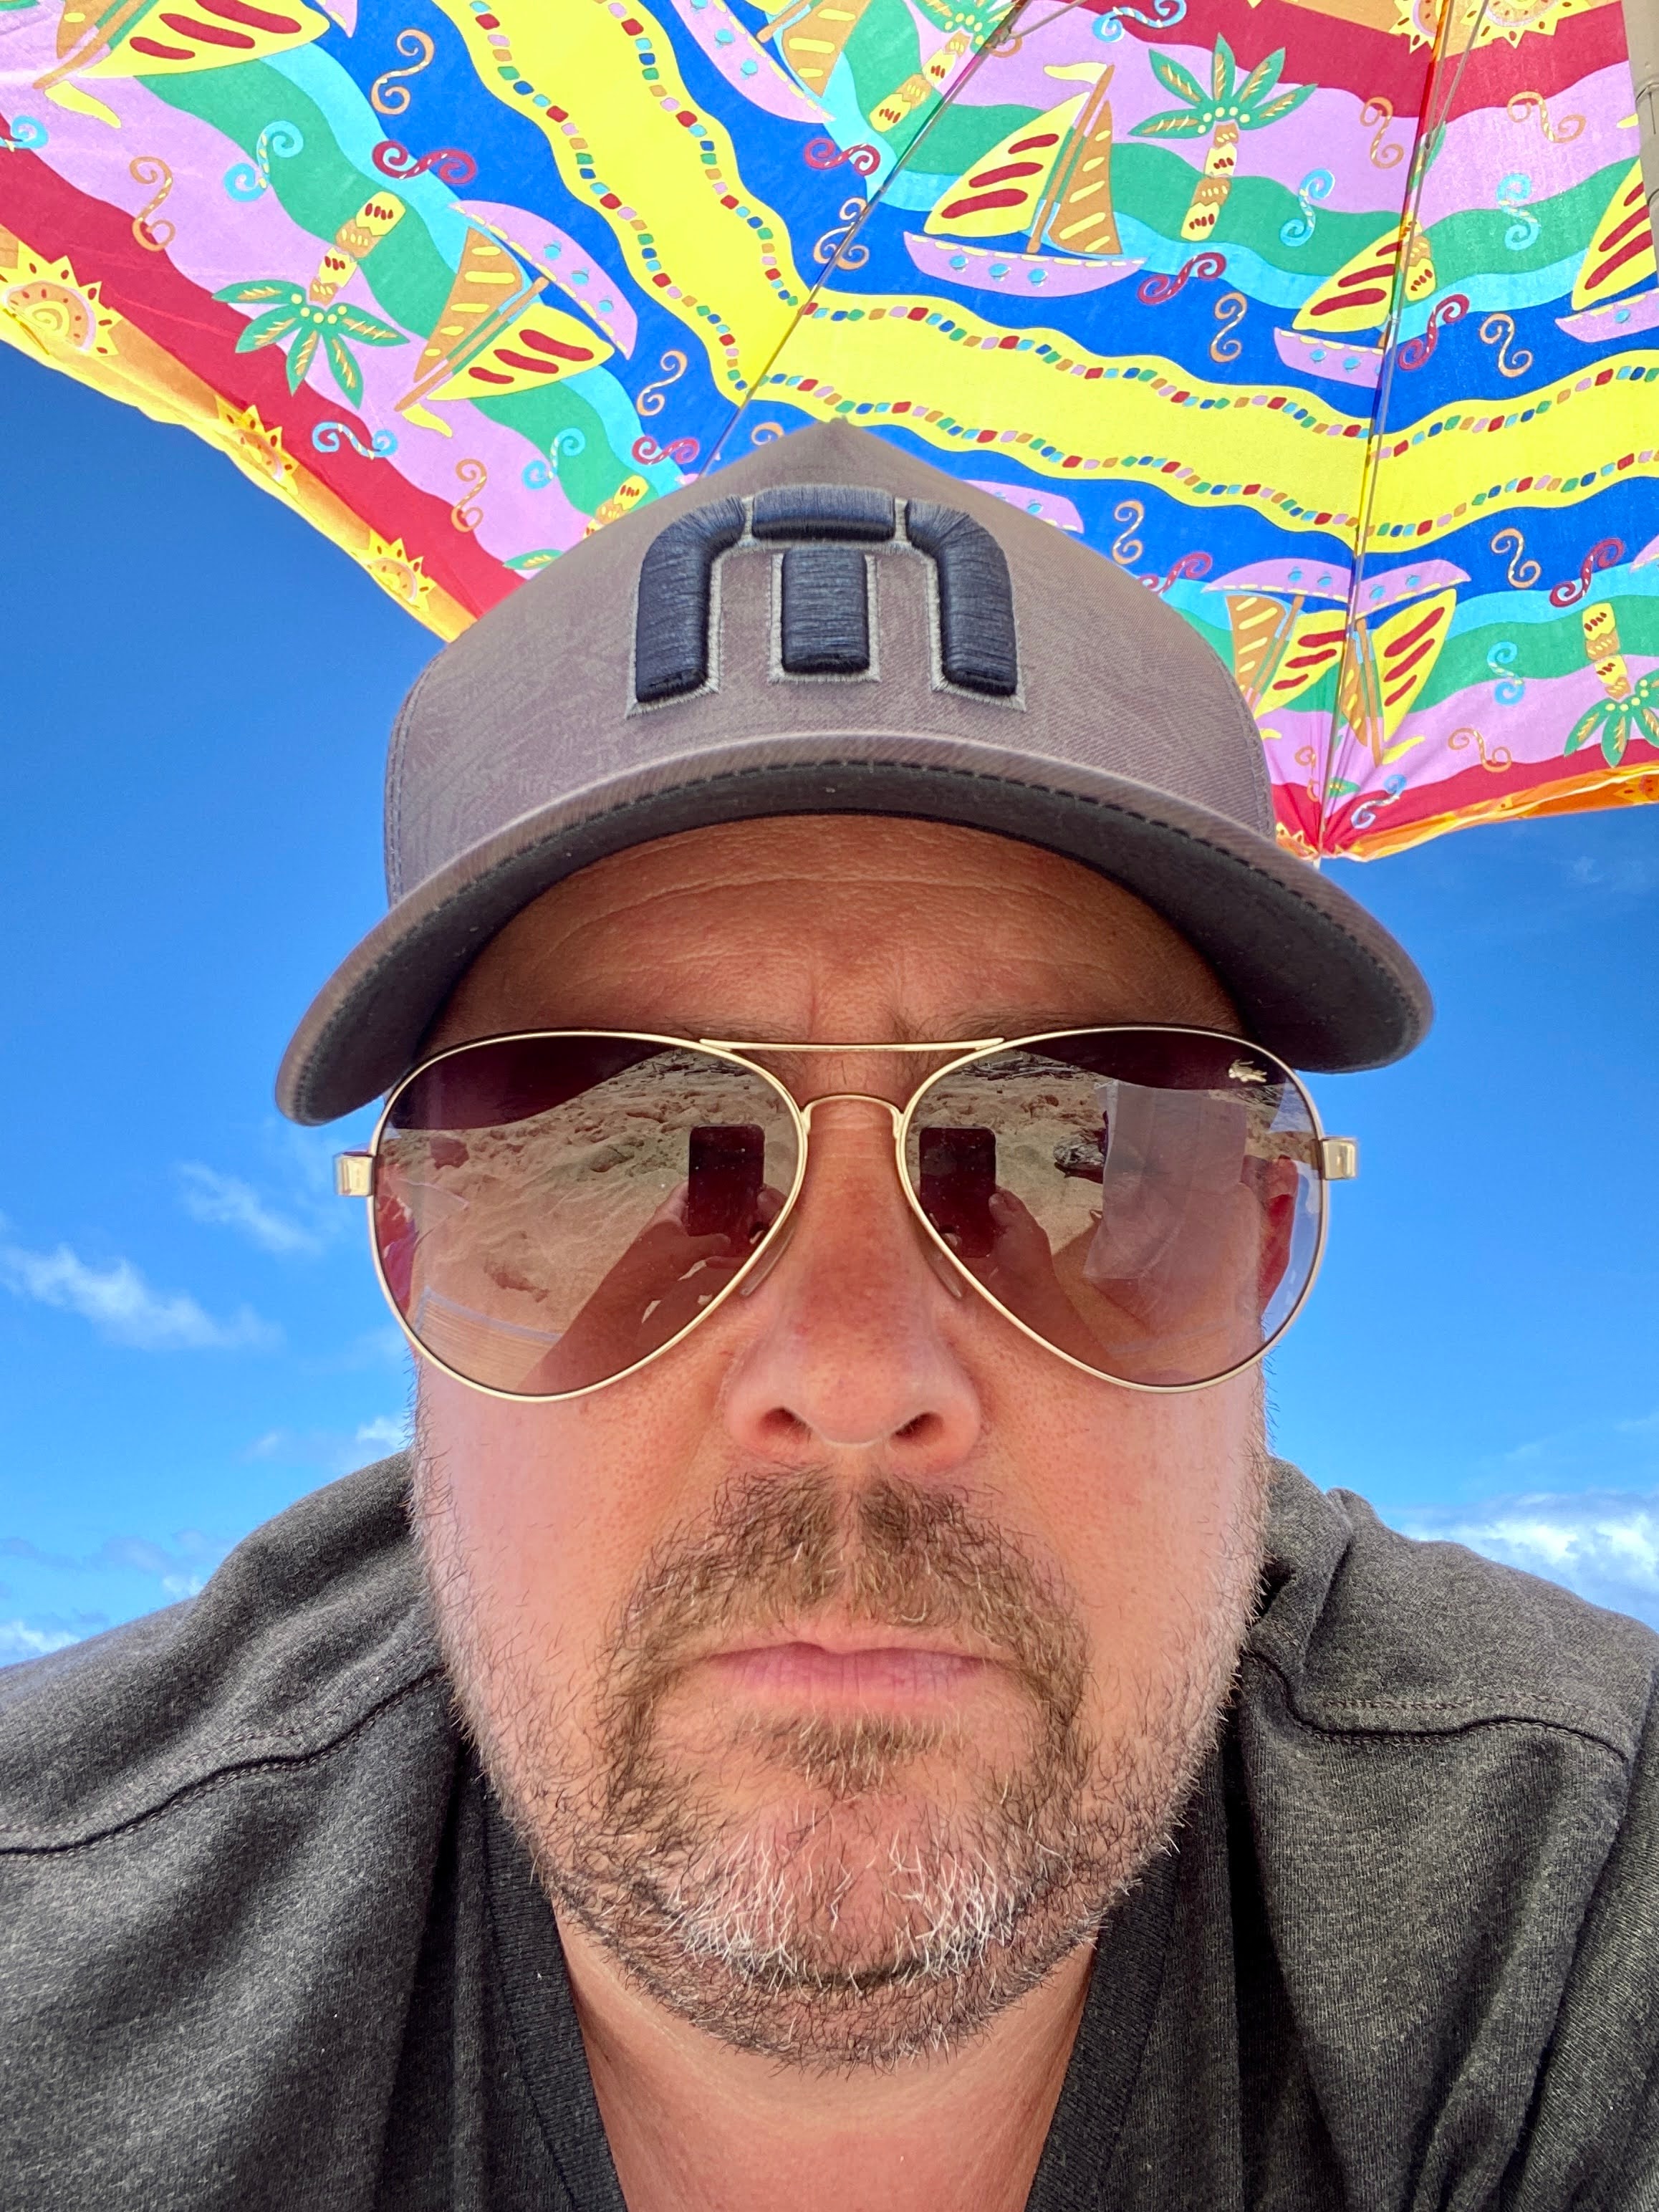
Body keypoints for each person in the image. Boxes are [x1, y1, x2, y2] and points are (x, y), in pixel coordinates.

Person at [3, 425, 1655, 2212]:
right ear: (408, 1262)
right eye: (626, 1157)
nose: (855, 1376)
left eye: (1067, 1148)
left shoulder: (1573, 1898)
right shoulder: (55, 1956)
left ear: (1263, 1248)